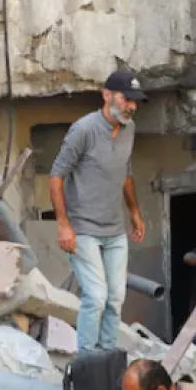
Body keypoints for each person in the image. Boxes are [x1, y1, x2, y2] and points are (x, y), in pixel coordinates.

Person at [49, 69, 149, 351]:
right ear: (106, 95)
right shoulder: (84, 130)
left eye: (135, 101)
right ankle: (86, 360)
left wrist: (134, 211)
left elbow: (126, 171)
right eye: (126, 98)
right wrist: (63, 224)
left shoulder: (129, 129)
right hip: (84, 229)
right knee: (96, 297)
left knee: (116, 298)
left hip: (115, 230)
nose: (131, 106)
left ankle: (106, 357)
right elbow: (56, 176)